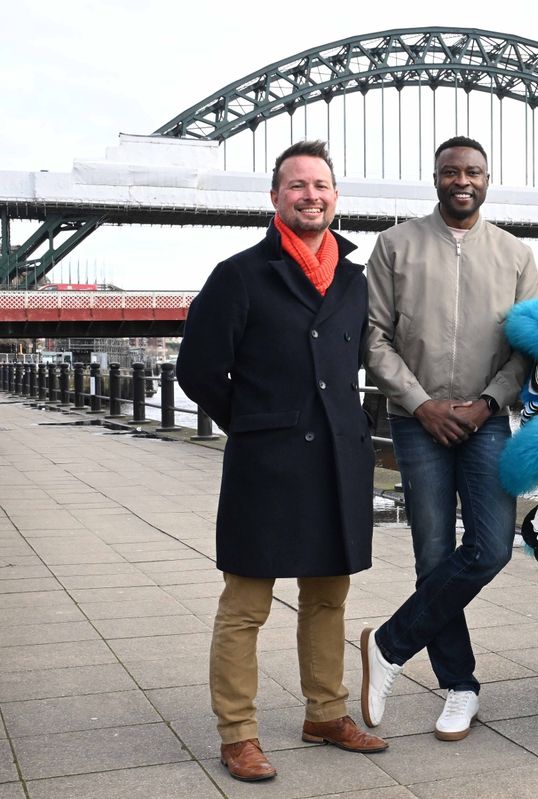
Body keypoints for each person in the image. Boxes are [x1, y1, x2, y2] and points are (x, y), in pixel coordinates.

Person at [176, 140, 386, 782]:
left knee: (329, 597)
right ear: (275, 198)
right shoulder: (239, 274)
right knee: (246, 603)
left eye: (321, 185)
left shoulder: (354, 278)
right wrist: (257, 424)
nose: (310, 195)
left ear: (335, 198)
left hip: (337, 464)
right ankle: (237, 732)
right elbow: (199, 370)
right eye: (297, 185)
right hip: (267, 464)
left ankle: (326, 713)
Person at [361, 135, 538, 741]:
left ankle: (387, 645)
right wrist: (422, 403)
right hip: (417, 422)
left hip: (487, 419)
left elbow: (528, 348)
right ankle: (459, 686)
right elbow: (374, 339)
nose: (462, 180)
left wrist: (488, 402)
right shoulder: (394, 246)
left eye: (473, 171)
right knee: (433, 557)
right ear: (434, 177)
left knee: (491, 548)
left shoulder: (515, 255)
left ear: (487, 180)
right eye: (450, 171)